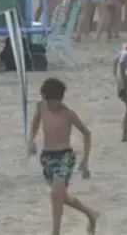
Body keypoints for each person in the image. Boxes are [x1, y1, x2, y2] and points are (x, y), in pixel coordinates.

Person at [28, 78, 99, 235]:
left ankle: (56, 232)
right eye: (49, 100)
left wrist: (85, 161)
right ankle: (90, 214)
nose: (53, 104)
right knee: (61, 197)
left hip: (65, 156)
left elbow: (87, 133)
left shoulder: (68, 114)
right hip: (47, 157)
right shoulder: (41, 106)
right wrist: (31, 141)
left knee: (55, 195)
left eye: (56, 101)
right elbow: (34, 124)